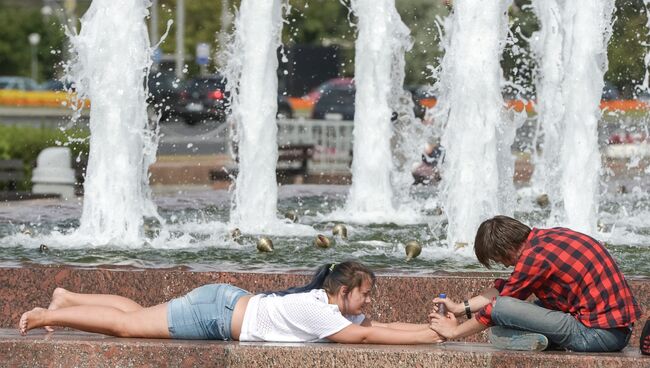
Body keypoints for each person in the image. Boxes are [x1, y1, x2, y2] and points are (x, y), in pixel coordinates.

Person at [19, 261, 443, 345]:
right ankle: (48, 314)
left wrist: (429, 330)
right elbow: (369, 337)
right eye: (365, 292)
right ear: (344, 290)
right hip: (216, 315)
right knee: (128, 326)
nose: (368, 300)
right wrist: (432, 336)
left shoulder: (325, 305)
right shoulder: (319, 311)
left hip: (222, 306)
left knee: (135, 315)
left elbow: (380, 327)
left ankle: (67, 296)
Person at [429, 215, 642, 352]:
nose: (503, 265)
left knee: (501, 314)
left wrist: (454, 332)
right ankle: (541, 340)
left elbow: (499, 305)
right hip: (616, 330)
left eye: (498, 259)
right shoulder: (548, 238)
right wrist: (460, 308)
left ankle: (541, 340)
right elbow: (507, 287)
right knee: (511, 314)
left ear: (505, 250)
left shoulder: (534, 258)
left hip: (596, 335)